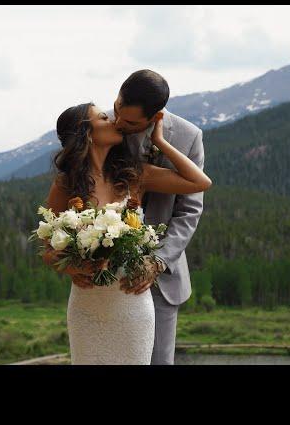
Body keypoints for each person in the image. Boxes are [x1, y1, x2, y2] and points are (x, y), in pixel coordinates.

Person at [43, 75, 209, 364]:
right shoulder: (67, 183)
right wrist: (70, 268)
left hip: (138, 292)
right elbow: (48, 248)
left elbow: (198, 189)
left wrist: (160, 142)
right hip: (89, 299)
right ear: (87, 133)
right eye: (110, 114)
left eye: (125, 120)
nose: (116, 121)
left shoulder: (134, 174)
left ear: (154, 117)